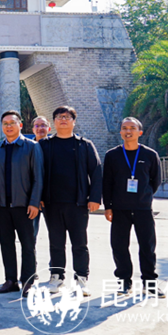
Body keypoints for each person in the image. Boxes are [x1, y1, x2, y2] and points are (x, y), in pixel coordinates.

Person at [39, 106, 102, 297]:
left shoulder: (84, 145)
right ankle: (56, 277)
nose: (63, 120)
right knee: (56, 243)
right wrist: (38, 198)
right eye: (59, 117)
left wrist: (94, 198)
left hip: (78, 203)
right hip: (52, 203)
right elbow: (36, 173)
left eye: (67, 117)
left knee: (80, 243)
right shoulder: (45, 145)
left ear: (74, 121)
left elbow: (96, 172)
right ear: (54, 122)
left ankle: (81, 279)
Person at [103, 117, 164, 298]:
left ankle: (149, 283)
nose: (128, 131)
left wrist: (144, 196)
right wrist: (108, 206)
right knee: (119, 246)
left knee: (147, 246)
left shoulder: (150, 155)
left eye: (132, 128)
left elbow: (155, 180)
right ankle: (124, 282)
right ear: (120, 132)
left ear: (140, 132)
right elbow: (107, 182)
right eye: (124, 128)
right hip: (119, 209)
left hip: (143, 209)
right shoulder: (112, 155)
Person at [0, 110, 43, 298]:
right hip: (3, 206)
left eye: (12, 123)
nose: (8, 126)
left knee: (28, 244)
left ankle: (28, 281)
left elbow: (38, 177)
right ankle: (10, 280)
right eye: (5, 123)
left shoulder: (32, 147)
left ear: (20, 125)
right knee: (6, 243)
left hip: (25, 206)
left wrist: (34, 202)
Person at [31, 116, 51, 242]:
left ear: (49, 128)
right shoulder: (28, 147)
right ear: (33, 129)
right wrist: (35, 198)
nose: (40, 128)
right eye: (37, 126)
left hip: (50, 199)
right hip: (32, 199)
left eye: (43, 125)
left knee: (55, 234)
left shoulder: (54, 147)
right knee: (30, 235)